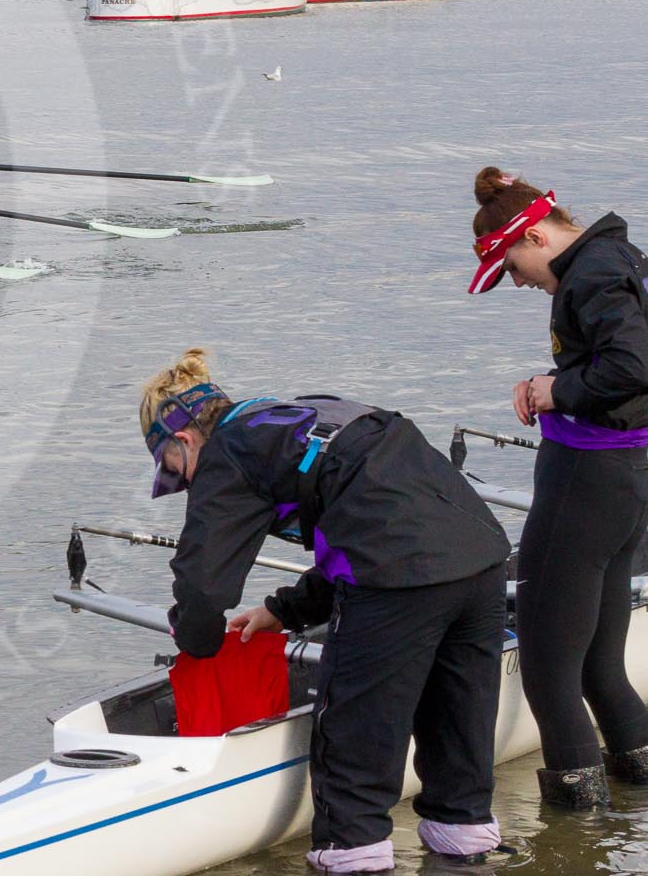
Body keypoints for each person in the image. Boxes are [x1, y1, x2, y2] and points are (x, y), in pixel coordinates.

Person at [143, 348, 511, 871]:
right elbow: (377, 526)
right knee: (458, 724)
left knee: (353, 734)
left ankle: (352, 854)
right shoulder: (303, 414)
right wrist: (282, 609)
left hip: (400, 580)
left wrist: (197, 645)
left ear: (181, 440)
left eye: (174, 472)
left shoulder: (228, 453)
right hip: (482, 560)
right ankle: (465, 847)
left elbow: (203, 586)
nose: (183, 484)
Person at [467, 167, 648, 807]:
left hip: (588, 479)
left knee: (547, 667)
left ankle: (576, 830)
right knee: (601, 662)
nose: (517, 283)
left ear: (537, 237)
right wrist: (552, 379)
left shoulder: (594, 272)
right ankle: (636, 799)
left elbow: (633, 363)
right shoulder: (616, 255)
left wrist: (558, 390)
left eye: (513, 267)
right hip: (628, 478)